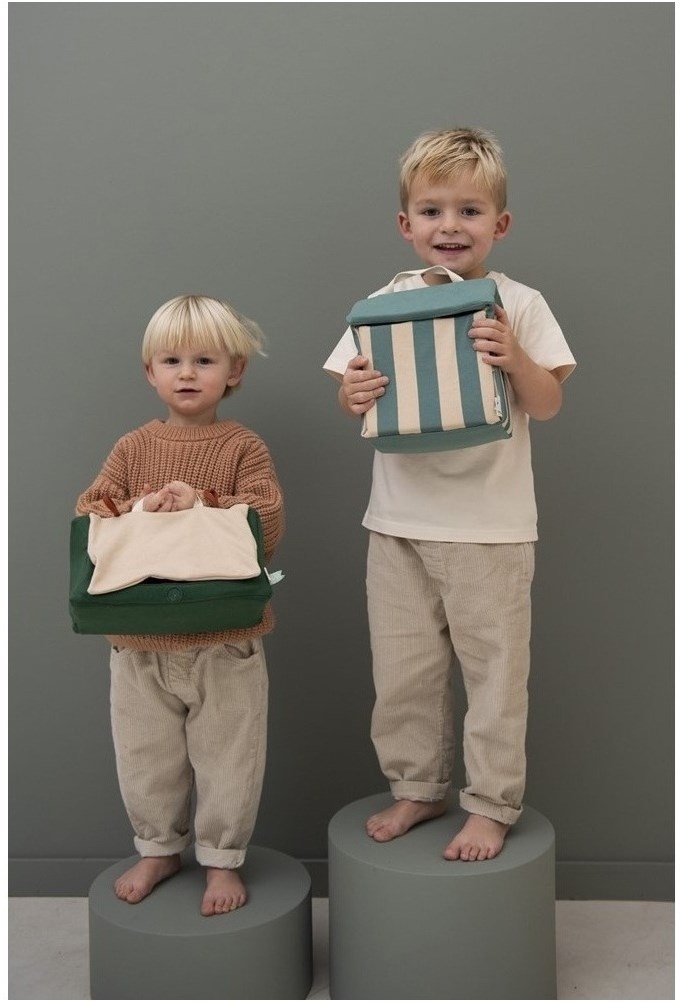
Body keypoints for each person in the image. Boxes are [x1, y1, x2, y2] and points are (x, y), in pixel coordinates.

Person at [324, 128, 575, 862]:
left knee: (494, 674)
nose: (450, 227)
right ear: (406, 224)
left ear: (501, 223)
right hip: (397, 521)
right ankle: (418, 787)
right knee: (403, 671)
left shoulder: (519, 302)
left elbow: (548, 404)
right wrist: (353, 394)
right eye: (432, 212)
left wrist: (515, 358)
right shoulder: (382, 302)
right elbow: (353, 393)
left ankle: (492, 804)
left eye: (470, 211)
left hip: (489, 527)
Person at [76, 295, 284, 913]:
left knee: (230, 756)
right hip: (138, 640)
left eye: (204, 360)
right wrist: (141, 506)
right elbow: (89, 513)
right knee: (145, 756)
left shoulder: (244, 446)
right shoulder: (132, 447)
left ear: (234, 370)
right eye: (171, 360)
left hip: (226, 638)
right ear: (150, 371)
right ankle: (159, 848)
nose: (187, 373)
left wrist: (202, 501)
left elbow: (267, 523)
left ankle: (222, 859)